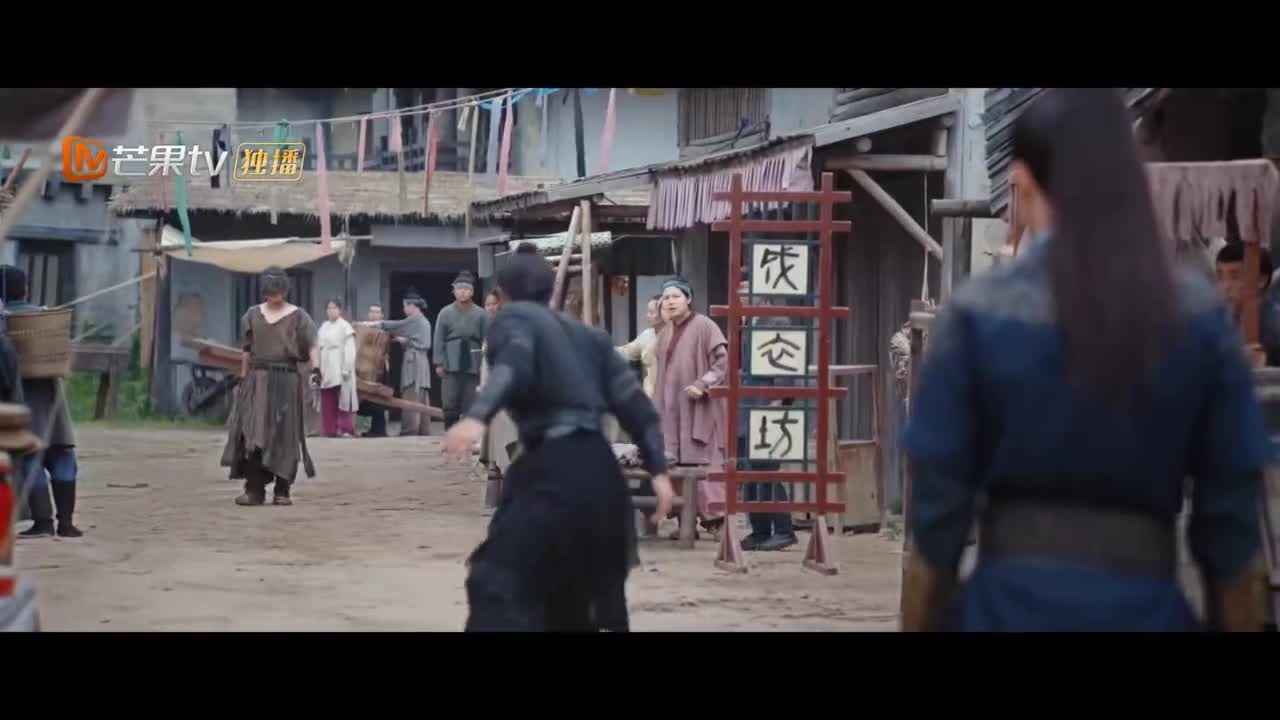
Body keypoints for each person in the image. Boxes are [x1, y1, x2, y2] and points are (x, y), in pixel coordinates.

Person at [902, 88, 1270, 632]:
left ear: (1023, 184)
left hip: (1004, 612)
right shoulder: (1198, 321)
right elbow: (1234, 537)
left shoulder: (977, 316)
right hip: (1147, 611)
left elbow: (934, 533)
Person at [444, 253, 673, 632]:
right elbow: (638, 408)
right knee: (577, 606)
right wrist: (659, 472)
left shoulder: (513, 320)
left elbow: (514, 363)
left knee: (496, 585)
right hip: (602, 479)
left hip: (551, 472)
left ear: (501, 294)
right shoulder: (591, 337)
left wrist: (476, 416)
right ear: (553, 291)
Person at [221, 266, 319, 507]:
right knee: (254, 434)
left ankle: (282, 490)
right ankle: (254, 490)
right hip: (258, 379)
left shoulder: (299, 316)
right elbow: (246, 349)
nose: (274, 297)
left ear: (285, 291)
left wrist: (315, 369)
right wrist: (243, 377)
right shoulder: (253, 314)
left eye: (278, 292)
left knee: (285, 435)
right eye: (270, 293)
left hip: (287, 380)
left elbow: (312, 345)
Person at [1, 265, 84, 538]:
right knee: (61, 455)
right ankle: (67, 523)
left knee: (30, 459)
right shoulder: (46, 318)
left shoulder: (5, 323)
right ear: (25, 289)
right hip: (52, 399)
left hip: (20, 401)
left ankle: (43, 522)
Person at [654, 277, 729, 537]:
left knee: (706, 465)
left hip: (699, 409)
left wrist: (702, 384)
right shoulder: (665, 332)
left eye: (676, 296)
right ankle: (685, 521)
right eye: (666, 297)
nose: (670, 301)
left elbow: (721, 362)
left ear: (688, 299)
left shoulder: (705, 325)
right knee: (674, 463)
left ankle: (718, 521)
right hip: (671, 411)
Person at [736, 287, 799, 552]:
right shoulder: (749, 321)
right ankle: (760, 530)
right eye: (739, 290)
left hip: (768, 402)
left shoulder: (777, 320)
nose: (741, 294)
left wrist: (781, 398)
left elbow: (786, 363)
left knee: (767, 469)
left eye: (747, 289)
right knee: (750, 470)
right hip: (748, 402)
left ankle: (784, 530)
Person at [366, 293, 433, 436]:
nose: (404, 309)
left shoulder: (415, 319)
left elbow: (398, 325)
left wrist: (378, 324)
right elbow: (414, 339)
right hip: (421, 360)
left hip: (414, 361)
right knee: (421, 396)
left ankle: (410, 430)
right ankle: (423, 430)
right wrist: (401, 340)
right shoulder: (423, 321)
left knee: (411, 394)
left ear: (412, 306)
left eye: (405, 306)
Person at [434, 271, 488, 429]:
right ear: (454, 291)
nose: (463, 292)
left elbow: (486, 340)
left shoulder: (481, 314)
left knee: (471, 400)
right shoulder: (445, 313)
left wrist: (484, 363)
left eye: (466, 289)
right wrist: (439, 362)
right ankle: (450, 434)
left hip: (473, 359)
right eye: (459, 289)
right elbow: (439, 338)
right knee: (450, 401)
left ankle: (468, 437)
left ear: (472, 292)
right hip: (451, 359)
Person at [1214, 242, 1280, 366]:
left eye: (1235, 276)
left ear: (1261, 280)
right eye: (1220, 276)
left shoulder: (1275, 323)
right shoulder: (1220, 318)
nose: (1226, 286)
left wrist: (1266, 364)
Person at [316, 299, 358, 438]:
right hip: (326, 365)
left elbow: (350, 350)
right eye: (328, 308)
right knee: (327, 398)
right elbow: (318, 347)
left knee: (343, 399)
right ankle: (329, 429)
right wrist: (317, 367)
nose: (331, 311)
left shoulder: (345, 326)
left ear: (340, 310)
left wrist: (346, 368)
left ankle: (345, 429)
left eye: (334, 308)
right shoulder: (324, 326)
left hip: (340, 365)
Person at [617, 295, 665, 399]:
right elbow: (627, 351)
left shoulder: (678, 336)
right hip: (650, 395)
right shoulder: (647, 335)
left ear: (664, 313)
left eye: (651, 312)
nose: (647, 316)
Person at [356, 303, 390, 437]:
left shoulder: (386, 328)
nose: (374, 314)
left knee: (379, 399)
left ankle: (379, 429)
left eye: (377, 312)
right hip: (364, 368)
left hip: (380, 368)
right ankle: (370, 428)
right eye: (372, 312)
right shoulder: (363, 327)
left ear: (382, 315)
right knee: (365, 400)